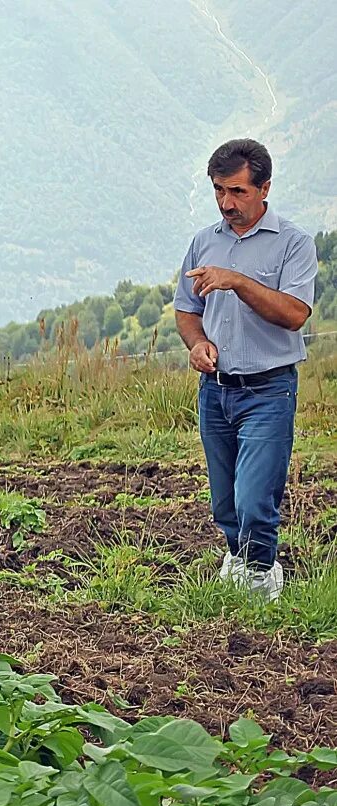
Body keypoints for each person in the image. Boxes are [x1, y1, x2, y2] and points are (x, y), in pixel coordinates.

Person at [173, 138, 317, 601]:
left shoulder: (293, 244)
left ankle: (260, 574)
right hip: (215, 390)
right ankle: (237, 558)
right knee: (224, 500)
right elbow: (186, 309)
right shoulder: (203, 242)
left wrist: (237, 281)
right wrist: (197, 344)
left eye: (237, 191)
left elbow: (295, 313)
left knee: (255, 498)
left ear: (264, 188)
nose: (226, 203)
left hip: (269, 389)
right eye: (219, 190)